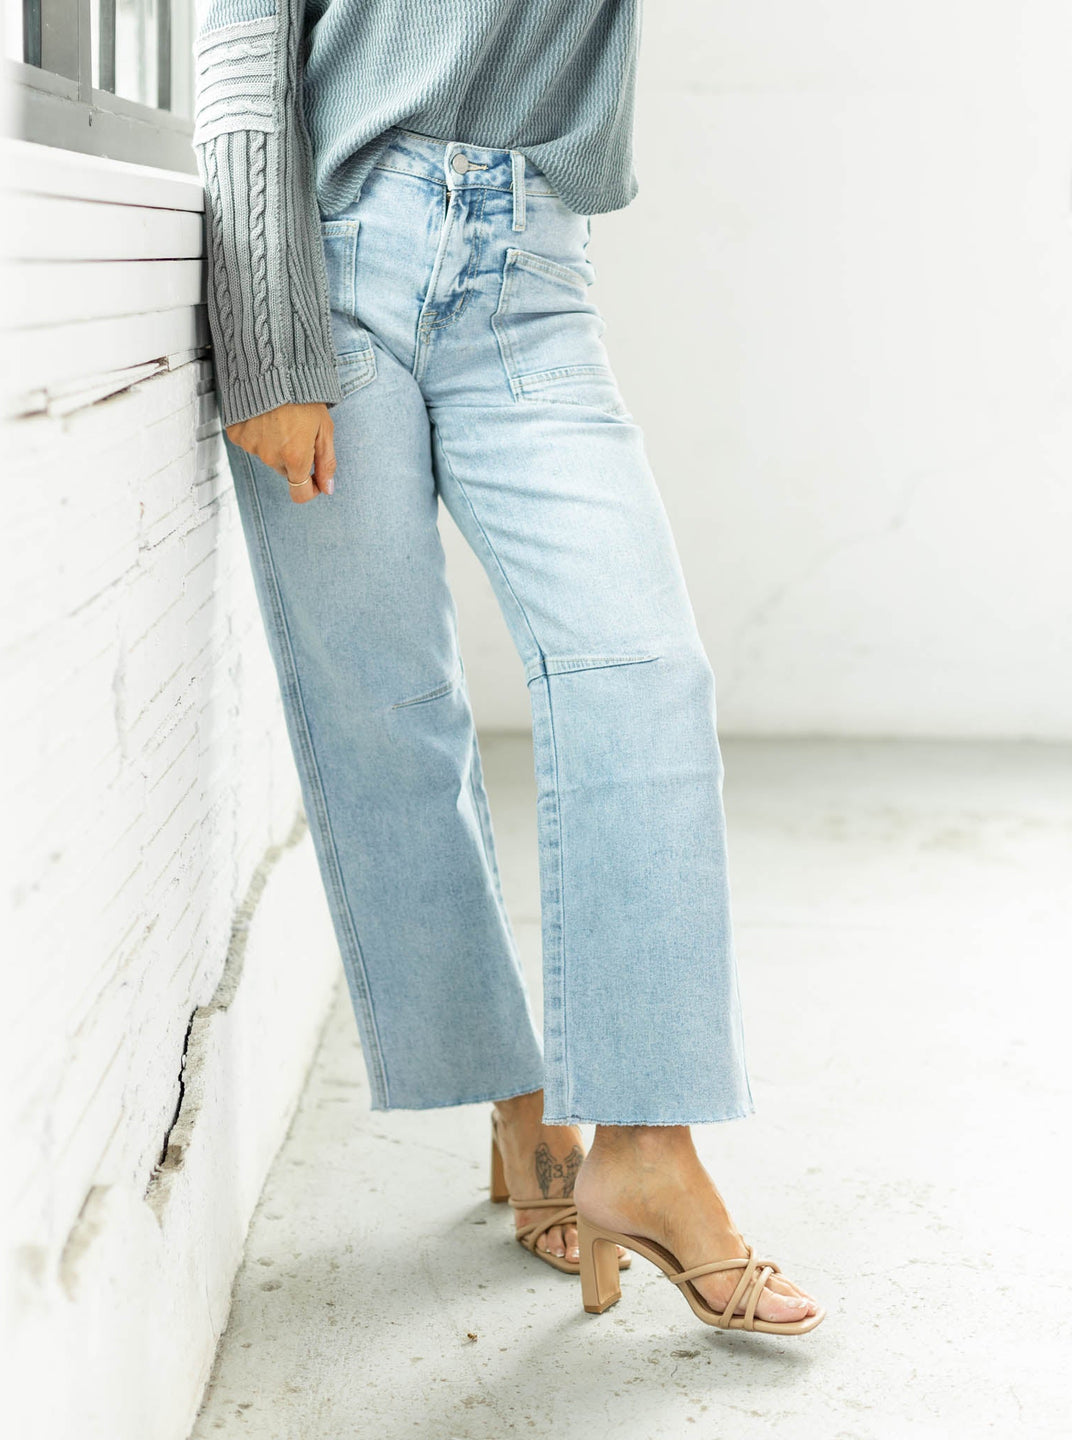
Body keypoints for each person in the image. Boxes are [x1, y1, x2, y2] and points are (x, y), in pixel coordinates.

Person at [193, 0, 824, 1334]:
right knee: (392, 715)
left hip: (528, 264)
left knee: (641, 671)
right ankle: (524, 1109)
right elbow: (243, 36)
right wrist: (264, 331)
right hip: (332, 258)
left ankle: (646, 1147)